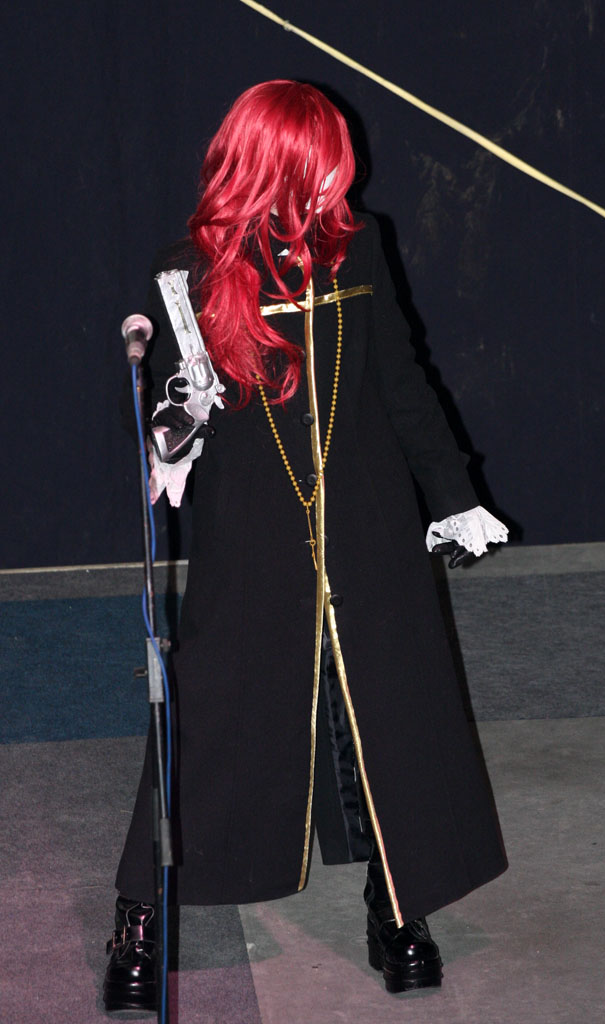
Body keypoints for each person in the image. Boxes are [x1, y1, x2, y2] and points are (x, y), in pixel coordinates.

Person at [104, 80, 508, 1012]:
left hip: (367, 518)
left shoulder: (358, 247)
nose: (341, 179)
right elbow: (165, 405)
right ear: (272, 165)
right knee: (210, 712)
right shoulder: (190, 272)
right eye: (325, 162)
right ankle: (139, 913)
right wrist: (172, 428)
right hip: (252, 529)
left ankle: (395, 905)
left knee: (387, 709)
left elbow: (401, 377)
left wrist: (453, 496)